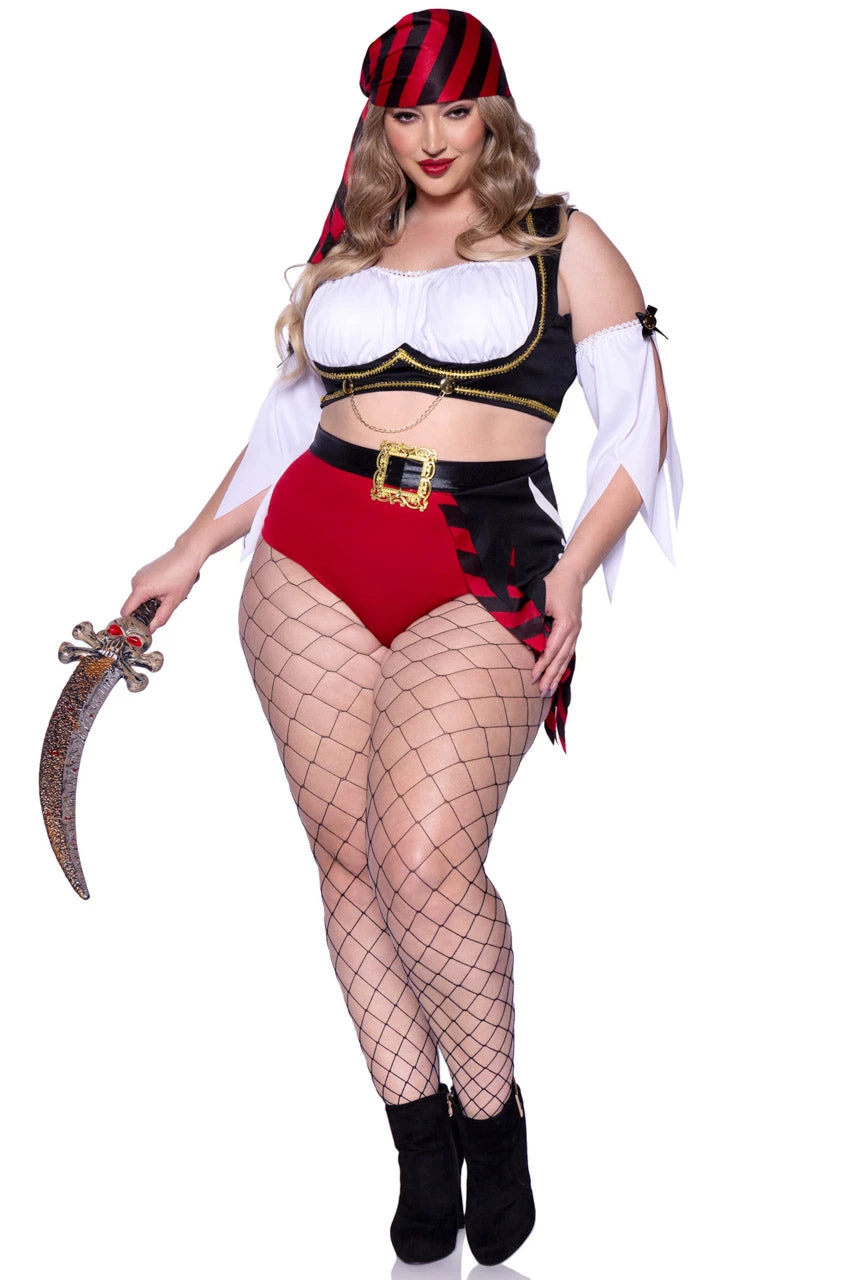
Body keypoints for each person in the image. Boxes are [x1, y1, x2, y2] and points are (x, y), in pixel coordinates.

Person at [121, 8, 683, 1268]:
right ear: (380, 122)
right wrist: (188, 550)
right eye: (406, 112)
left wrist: (575, 574)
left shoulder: (562, 238)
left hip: (481, 562)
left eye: (455, 107)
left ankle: (492, 1118)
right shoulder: (356, 244)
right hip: (310, 560)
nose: (432, 136)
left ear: (494, 111)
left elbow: (636, 430)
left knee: (425, 859)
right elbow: (284, 427)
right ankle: (417, 1145)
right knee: (351, 866)